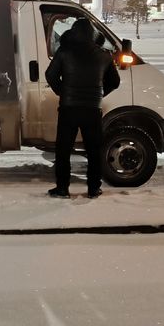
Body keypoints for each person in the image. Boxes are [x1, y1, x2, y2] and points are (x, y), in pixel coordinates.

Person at [44, 18, 120, 199]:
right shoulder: (104, 55)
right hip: (92, 109)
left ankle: (62, 189)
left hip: (68, 109)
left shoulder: (64, 52)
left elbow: (50, 75)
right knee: (94, 150)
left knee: (63, 150)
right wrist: (99, 94)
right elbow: (115, 82)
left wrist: (62, 91)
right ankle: (94, 189)